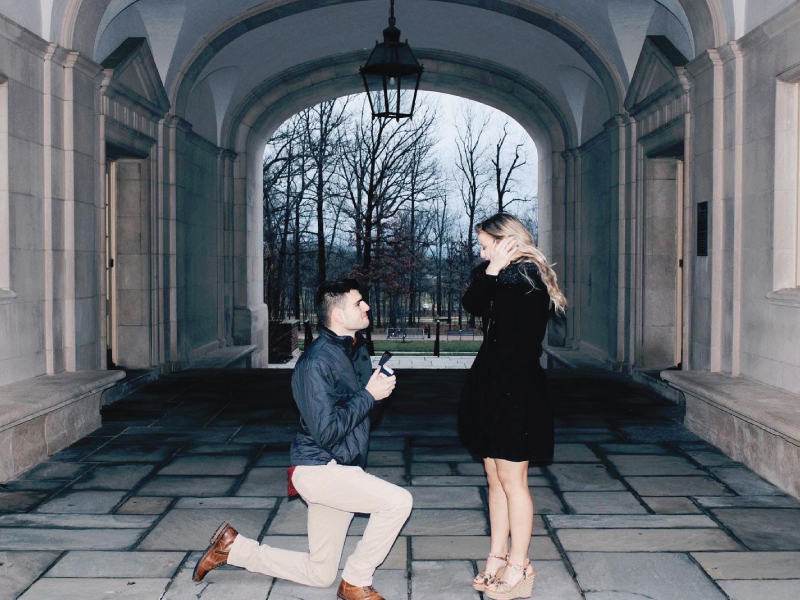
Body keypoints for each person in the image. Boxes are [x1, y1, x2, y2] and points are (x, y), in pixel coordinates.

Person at [192, 279, 412, 600]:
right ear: (337, 315)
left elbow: (362, 417)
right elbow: (327, 431)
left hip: (344, 466)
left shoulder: (357, 349)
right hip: (318, 468)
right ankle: (355, 581)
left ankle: (232, 549)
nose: (366, 307)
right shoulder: (313, 364)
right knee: (397, 503)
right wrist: (368, 396)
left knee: (319, 573)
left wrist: (376, 396)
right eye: (358, 303)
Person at [459, 213, 567, 600]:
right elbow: (471, 303)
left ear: (508, 242)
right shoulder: (495, 275)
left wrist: (498, 270)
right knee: (494, 479)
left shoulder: (527, 281)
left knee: (513, 482)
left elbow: (519, 345)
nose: (481, 251)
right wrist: (493, 268)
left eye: (486, 244)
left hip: (516, 390)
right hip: (489, 385)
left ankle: (519, 565)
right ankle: (497, 555)